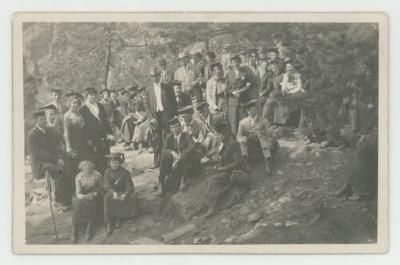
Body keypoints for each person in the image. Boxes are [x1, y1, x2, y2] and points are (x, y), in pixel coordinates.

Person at [27, 108, 70, 210]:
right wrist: (56, 160)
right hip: (40, 163)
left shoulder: (49, 130)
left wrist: (60, 156)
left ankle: (66, 200)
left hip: (51, 160)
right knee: (60, 170)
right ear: (36, 121)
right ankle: (58, 201)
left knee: (68, 169)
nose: (44, 121)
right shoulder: (32, 134)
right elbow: (38, 153)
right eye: (41, 120)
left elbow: (55, 146)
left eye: (44, 119)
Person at [204, 117, 247, 218]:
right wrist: (217, 165)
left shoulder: (233, 144)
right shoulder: (223, 144)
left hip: (234, 172)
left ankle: (212, 207)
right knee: (209, 179)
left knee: (213, 181)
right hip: (226, 170)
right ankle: (218, 201)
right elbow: (223, 159)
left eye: (217, 133)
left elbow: (239, 162)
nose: (216, 136)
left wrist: (223, 168)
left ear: (223, 133)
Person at [143, 67, 178, 168]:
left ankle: (172, 159)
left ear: (160, 75)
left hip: (166, 114)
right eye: (153, 76)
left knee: (169, 136)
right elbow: (146, 105)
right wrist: (151, 117)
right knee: (157, 139)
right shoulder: (148, 89)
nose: (155, 78)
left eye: (156, 75)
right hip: (155, 116)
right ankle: (157, 162)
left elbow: (174, 101)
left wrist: (175, 114)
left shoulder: (167, 86)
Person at [158, 117, 201, 194]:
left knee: (185, 153)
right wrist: (172, 152)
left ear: (180, 126)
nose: (174, 129)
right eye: (172, 127)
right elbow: (164, 149)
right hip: (174, 163)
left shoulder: (187, 135)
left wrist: (179, 159)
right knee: (164, 155)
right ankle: (161, 182)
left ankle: (183, 180)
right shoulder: (169, 137)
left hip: (185, 162)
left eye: (176, 126)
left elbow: (191, 147)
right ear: (170, 129)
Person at [237, 99, 279, 174]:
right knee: (243, 141)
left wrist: (263, 133)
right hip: (249, 143)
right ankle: (246, 162)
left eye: (252, 110)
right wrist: (243, 139)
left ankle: (268, 162)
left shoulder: (263, 120)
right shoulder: (242, 123)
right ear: (247, 111)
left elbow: (269, 131)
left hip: (261, 142)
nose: (251, 112)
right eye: (249, 110)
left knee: (262, 136)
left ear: (256, 110)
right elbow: (239, 136)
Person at [79, 87, 114, 174]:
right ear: (87, 96)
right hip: (92, 138)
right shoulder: (83, 109)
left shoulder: (100, 106)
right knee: (96, 160)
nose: (93, 97)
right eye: (91, 95)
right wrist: (87, 139)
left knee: (106, 157)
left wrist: (110, 133)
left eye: (94, 95)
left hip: (103, 137)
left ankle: (107, 178)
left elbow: (105, 121)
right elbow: (83, 127)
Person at [103, 153, 138, 235]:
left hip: (122, 192)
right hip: (112, 192)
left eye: (116, 162)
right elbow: (106, 186)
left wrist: (125, 194)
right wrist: (113, 193)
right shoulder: (107, 172)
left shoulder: (124, 172)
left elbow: (129, 186)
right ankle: (108, 222)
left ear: (119, 162)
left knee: (132, 196)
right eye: (112, 163)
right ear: (109, 164)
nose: (114, 165)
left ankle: (119, 217)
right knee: (107, 198)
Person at [71, 159, 103, 243]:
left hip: (95, 193)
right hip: (83, 194)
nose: (87, 167)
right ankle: (74, 228)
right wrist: (83, 196)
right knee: (78, 204)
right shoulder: (78, 176)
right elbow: (78, 192)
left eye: (89, 165)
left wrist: (95, 194)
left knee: (91, 204)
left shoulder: (97, 174)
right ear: (81, 167)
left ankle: (89, 226)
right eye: (85, 165)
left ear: (91, 165)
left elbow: (101, 187)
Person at [225, 54, 255, 134]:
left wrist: (245, 89)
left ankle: (244, 137)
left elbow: (250, 85)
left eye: (237, 62)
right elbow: (226, 88)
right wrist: (232, 92)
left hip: (243, 101)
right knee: (233, 122)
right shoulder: (229, 74)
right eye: (233, 62)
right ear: (231, 63)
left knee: (243, 121)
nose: (235, 64)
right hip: (232, 102)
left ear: (240, 62)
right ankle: (234, 139)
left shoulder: (245, 73)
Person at [63, 93, 86, 194]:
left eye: (77, 103)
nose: (75, 105)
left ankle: (83, 187)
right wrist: (68, 146)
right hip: (73, 144)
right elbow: (66, 133)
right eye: (73, 103)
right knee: (74, 168)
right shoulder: (66, 116)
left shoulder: (80, 114)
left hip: (82, 142)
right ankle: (75, 191)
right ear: (69, 104)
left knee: (82, 165)